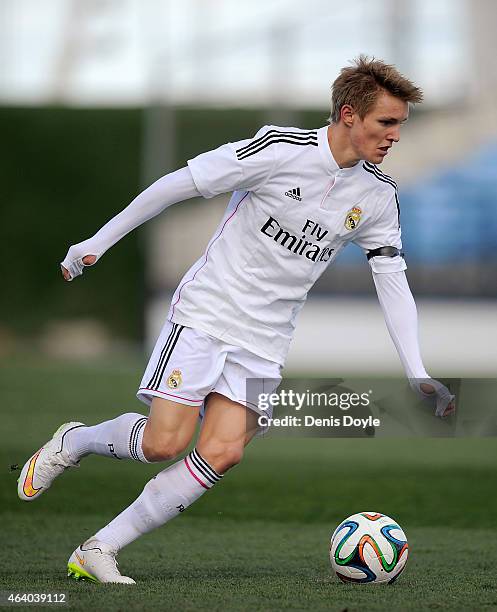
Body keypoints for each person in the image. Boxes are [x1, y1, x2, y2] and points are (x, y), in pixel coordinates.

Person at [18, 55, 455, 584]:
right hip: (209, 311)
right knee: (163, 444)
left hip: (267, 337)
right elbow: (178, 184)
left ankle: (99, 548)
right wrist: (98, 242)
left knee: (222, 452)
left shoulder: (379, 195)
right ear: (349, 114)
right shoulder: (278, 150)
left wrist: (415, 368)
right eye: (387, 123)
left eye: (400, 126)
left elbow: (392, 278)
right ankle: (78, 440)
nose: (395, 136)